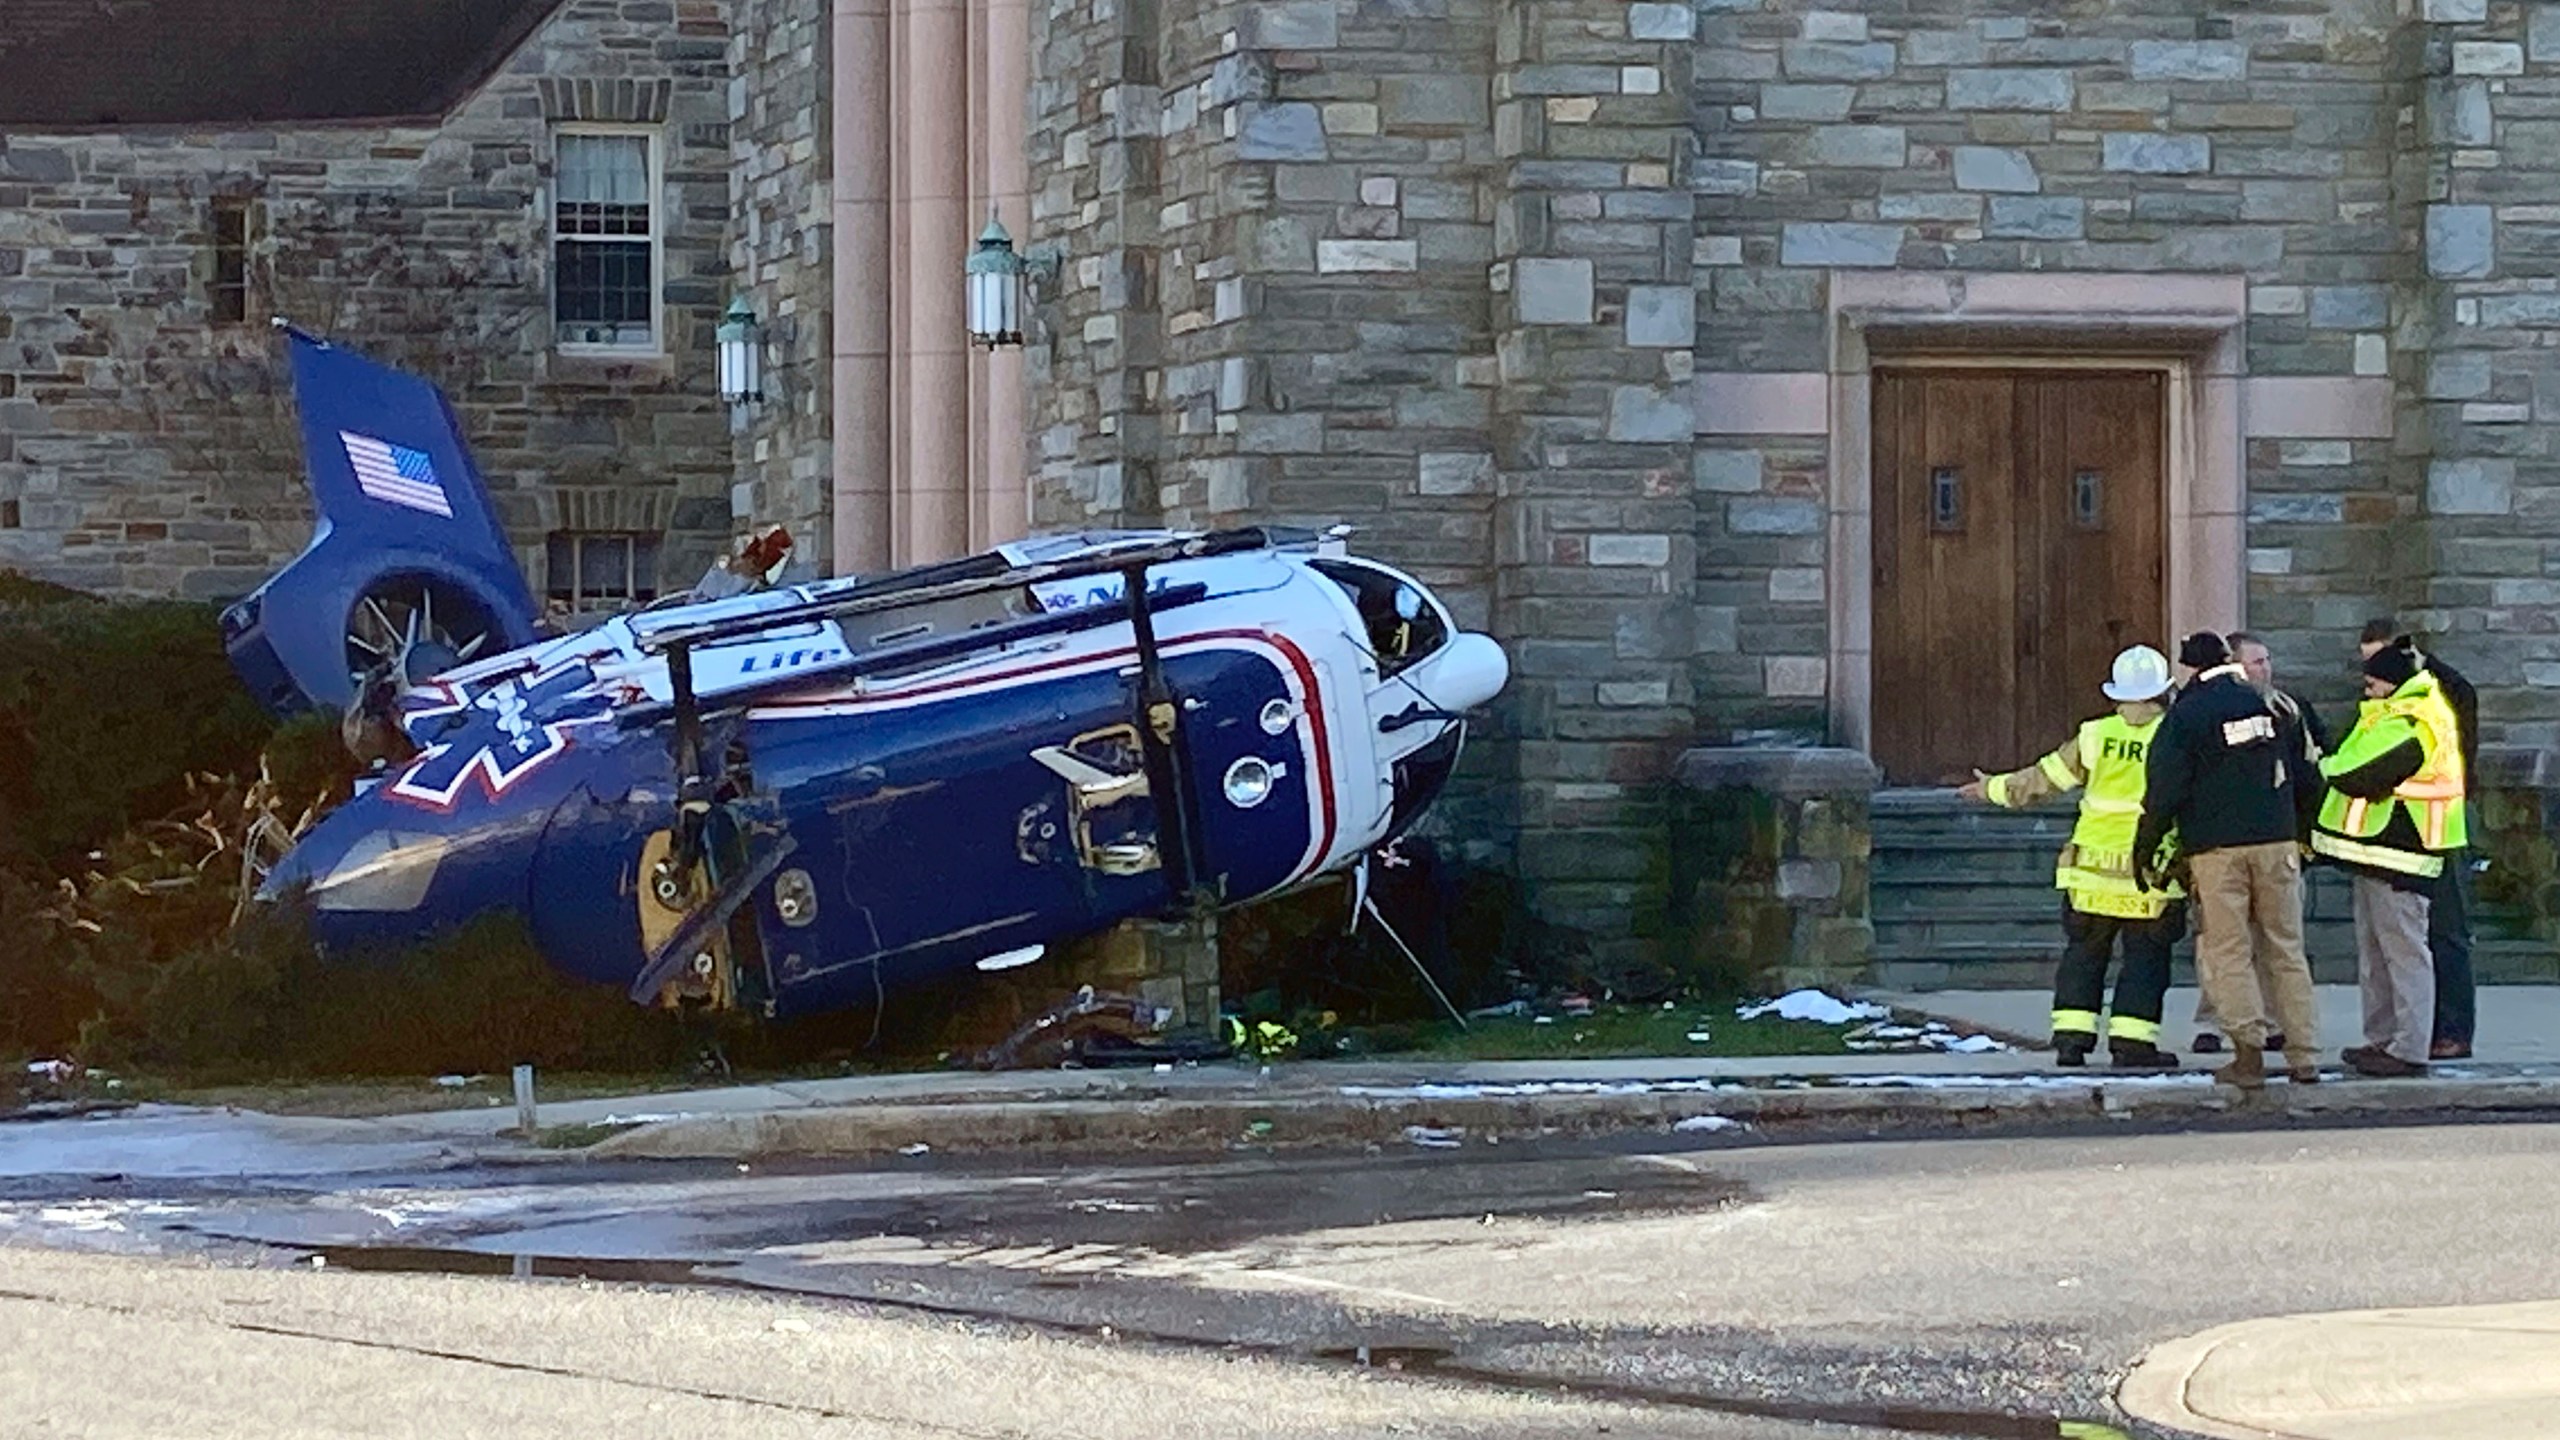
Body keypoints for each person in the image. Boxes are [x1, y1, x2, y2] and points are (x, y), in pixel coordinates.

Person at [1958, 645, 2185, 1071]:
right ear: (2164, 691)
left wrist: (1991, 788)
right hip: (2149, 873)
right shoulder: (2175, 734)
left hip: (2090, 874)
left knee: (2083, 956)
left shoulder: (2094, 735)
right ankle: (2132, 1046)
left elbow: (2043, 780)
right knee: (2145, 962)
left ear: (2116, 694)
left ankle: (2070, 1041)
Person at [2134, 632, 2321, 1088]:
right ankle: (2305, 1056)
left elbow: (2166, 787)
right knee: (2286, 949)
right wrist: (2302, 832)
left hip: (2217, 849)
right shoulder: (2277, 706)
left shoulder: (2187, 714)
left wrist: (2148, 843)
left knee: (2229, 950)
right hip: (2278, 843)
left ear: (2190, 669)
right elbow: (2308, 777)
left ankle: (2247, 1054)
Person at [2314, 637, 2469, 1077]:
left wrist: (2319, 770)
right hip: (2381, 854)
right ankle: (2382, 1040)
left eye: (2373, 681)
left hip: (2405, 856)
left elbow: (2359, 772)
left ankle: (2409, 1046)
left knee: (2404, 955)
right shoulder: (2393, 713)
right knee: (2378, 954)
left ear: (2392, 682)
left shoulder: (2413, 718)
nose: (2367, 689)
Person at [2190, 631, 2326, 1054]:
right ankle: (2224, 1024)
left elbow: (2310, 771)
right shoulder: (2209, 707)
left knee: (2260, 945)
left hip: (2243, 844)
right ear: (2232, 665)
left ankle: (2263, 1035)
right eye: (2255, 662)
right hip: (2250, 842)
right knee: (2233, 944)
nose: (2264, 669)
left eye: (2267, 660)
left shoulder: (2286, 708)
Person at [2360, 619, 2479, 1060]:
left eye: (2377, 661)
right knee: (2404, 941)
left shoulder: (2439, 693)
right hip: (2398, 832)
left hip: (2436, 828)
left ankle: (2451, 1030)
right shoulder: (2390, 695)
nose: (2370, 675)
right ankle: (2411, 1031)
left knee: (2445, 932)